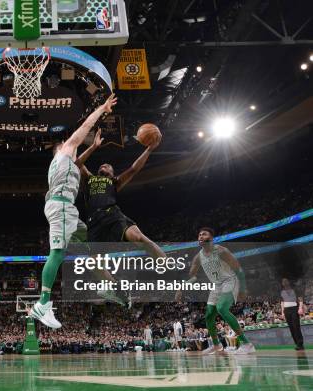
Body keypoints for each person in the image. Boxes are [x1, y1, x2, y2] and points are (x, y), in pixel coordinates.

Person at [29, 94, 118, 329]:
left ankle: (106, 286)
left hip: (66, 210)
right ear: (64, 146)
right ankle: (43, 304)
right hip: (62, 207)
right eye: (74, 146)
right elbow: (86, 125)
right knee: (57, 253)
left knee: (90, 242)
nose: (77, 148)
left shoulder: (63, 163)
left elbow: (78, 163)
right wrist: (102, 108)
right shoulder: (66, 149)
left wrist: (94, 147)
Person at [77, 128, 165, 258]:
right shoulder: (89, 178)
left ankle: (171, 267)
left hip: (112, 214)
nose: (104, 165)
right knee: (94, 262)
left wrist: (149, 149)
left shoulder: (115, 181)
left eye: (107, 166)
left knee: (138, 237)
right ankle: (111, 280)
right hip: (93, 221)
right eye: (102, 165)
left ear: (112, 173)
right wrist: (94, 146)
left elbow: (134, 169)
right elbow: (77, 163)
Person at [176, 227, 255, 355]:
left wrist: (243, 288)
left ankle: (247, 344)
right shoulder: (198, 257)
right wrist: (181, 287)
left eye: (204, 234)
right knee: (209, 315)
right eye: (199, 234)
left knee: (222, 308)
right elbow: (193, 276)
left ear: (211, 238)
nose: (200, 236)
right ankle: (217, 345)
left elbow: (238, 268)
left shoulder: (222, 251)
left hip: (230, 280)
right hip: (216, 285)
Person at [280, 278, 305, 350]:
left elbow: (300, 299)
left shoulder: (295, 289)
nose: (284, 283)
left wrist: (300, 308)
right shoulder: (282, 292)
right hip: (286, 310)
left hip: (294, 308)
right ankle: (297, 343)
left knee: (296, 326)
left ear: (288, 282)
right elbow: (282, 302)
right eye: (283, 282)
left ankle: (300, 344)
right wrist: (282, 312)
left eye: (285, 281)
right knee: (291, 327)